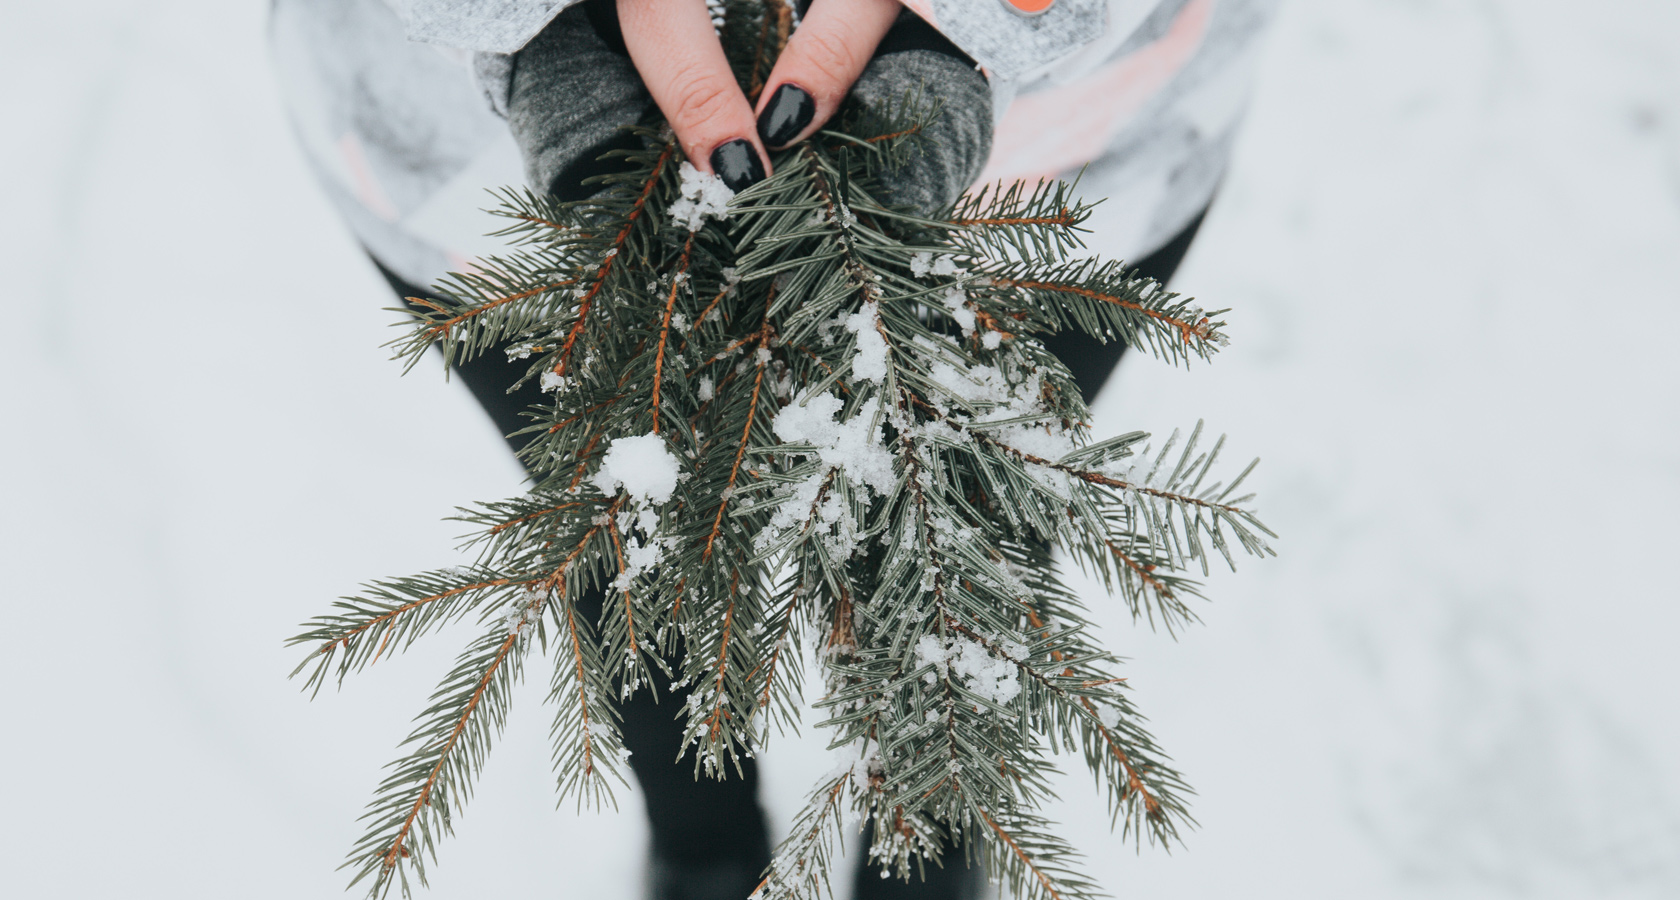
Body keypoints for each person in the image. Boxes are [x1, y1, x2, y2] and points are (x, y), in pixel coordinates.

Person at [269, 1, 1275, 898]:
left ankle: (924, 849)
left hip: (1071, 149)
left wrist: (980, 18)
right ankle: (701, 846)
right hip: (464, 157)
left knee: (965, 520)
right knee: (634, 518)